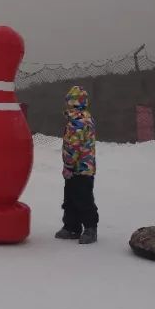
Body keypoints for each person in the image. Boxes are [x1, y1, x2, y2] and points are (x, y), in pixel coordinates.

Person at [54, 86, 98, 245]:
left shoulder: (78, 122)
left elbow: (74, 147)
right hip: (83, 168)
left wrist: (69, 166)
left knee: (83, 198)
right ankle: (71, 227)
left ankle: (90, 228)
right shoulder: (86, 118)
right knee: (71, 197)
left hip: (80, 169)